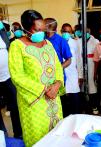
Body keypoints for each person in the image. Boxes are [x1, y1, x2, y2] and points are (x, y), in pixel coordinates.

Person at [8, 10, 64, 146]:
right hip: (34, 101)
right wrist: (43, 90)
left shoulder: (48, 44)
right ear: (26, 29)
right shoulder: (17, 46)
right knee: (38, 136)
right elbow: (17, 76)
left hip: (54, 98)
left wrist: (57, 85)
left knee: (56, 133)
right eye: (36, 30)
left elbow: (57, 66)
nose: (41, 33)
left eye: (42, 29)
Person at [44, 18, 72, 117]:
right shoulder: (41, 39)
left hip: (57, 78)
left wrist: (57, 69)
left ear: (50, 27)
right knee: (47, 105)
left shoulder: (61, 41)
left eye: (44, 25)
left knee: (60, 104)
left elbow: (69, 60)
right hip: (43, 77)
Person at [0, 20, 22, 138]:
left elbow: (9, 48)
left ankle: (18, 133)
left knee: (14, 105)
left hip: (8, 76)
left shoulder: (2, 33)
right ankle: (2, 135)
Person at [61, 23, 82, 114]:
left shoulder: (75, 43)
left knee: (75, 96)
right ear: (61, 31)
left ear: (71, 33)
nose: (66, 33)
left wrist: (80, 75)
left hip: (73, 72)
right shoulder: (59, 41)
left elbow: (79, 60)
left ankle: (76, 115)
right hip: (61, 72)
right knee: (63, 97)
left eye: (68, 32)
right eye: (64, 31)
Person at [78, 26, 99, 114]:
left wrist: (95, 72)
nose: (86, 33)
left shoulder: (95, 41)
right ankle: (84, 106)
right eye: (84, 31)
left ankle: (94, 106)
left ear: (90, 32)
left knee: (92, 86)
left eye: (87, 31)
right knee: (82, 86)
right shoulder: (78, 41)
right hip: (80, 62)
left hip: (91, 63)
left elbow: (97, 56)